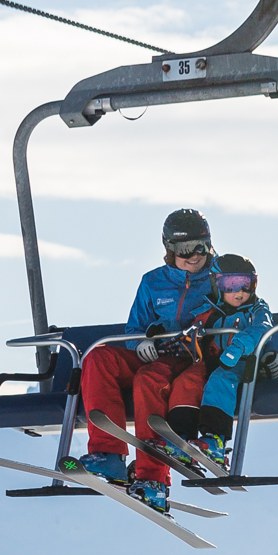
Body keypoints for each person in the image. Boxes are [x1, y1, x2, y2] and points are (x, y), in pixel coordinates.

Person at [76, 209, 220, 513]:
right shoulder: (153, 282)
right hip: (156, 355)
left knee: (149, 380)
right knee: (98, 357)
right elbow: (134, 328)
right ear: (169, 248)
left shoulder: (221, 278)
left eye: (201, 246)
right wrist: (140, 343)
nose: (194, 255)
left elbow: (245, 309)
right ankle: (108, 454)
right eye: (185, 249)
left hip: (192, 359)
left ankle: (152, 478)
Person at [167, 254, 278, 470]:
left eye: (246, 284)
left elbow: (263, 328)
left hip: (243, 362)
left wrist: (239, 346)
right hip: (213, 361)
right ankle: (180, 436)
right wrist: (186, 339)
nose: (240, 292)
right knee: (186, 381)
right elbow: (193, 330)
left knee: (220, 380)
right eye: (231, 285)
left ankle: (215, 439)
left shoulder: (257, 309)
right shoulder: (209, 311)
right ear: (217, 285)